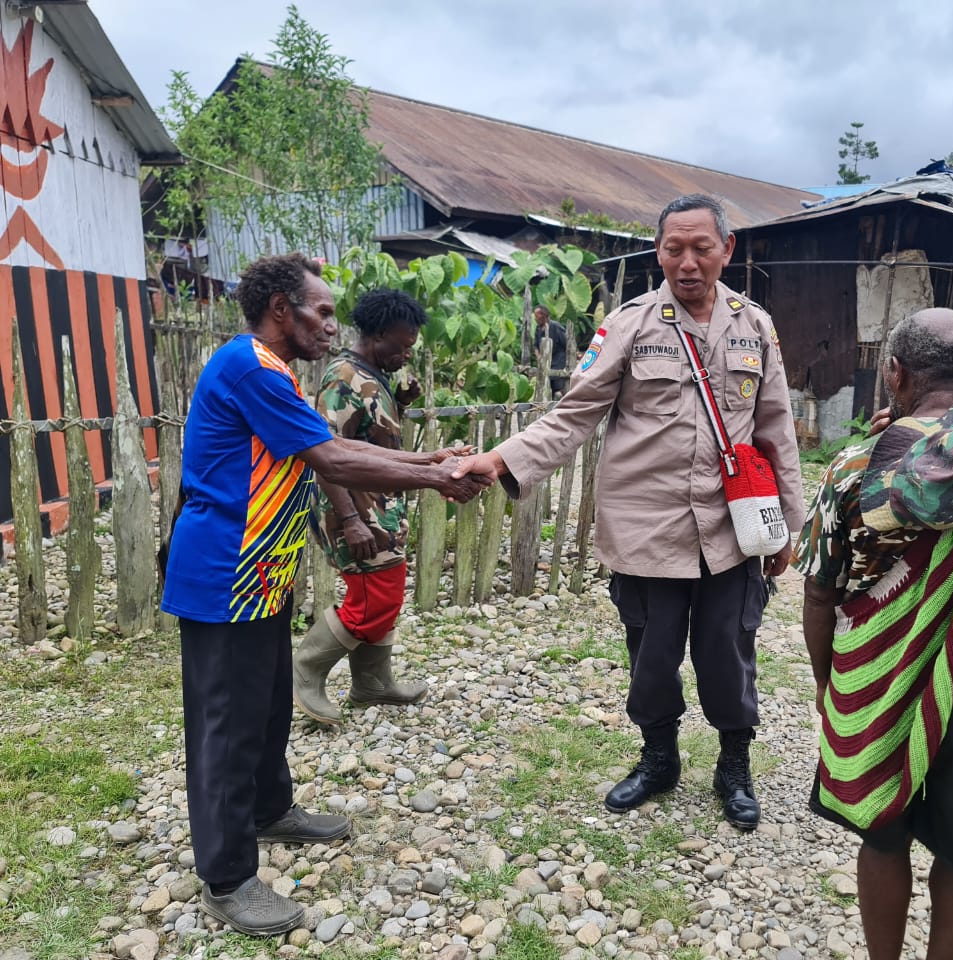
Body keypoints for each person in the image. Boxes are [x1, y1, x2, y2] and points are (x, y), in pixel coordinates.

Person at [161, 253, 491, 936]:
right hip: (224, 573)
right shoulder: (251, 366)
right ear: (281, 309)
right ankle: (225, 877)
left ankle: (269, 808)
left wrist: (426, 462)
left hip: (260, 573)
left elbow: (329, 446)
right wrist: (434, 477)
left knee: (264, 702)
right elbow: (333, 458)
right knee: (224, 724)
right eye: (322, 312)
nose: (331, 326)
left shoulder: (272, 371)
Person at [453, 194, 804, 830]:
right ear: (659, 251)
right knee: (651, 655)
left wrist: (789, 524)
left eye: (702, 248)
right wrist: (502, 460)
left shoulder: (757, 326)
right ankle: (658, 758)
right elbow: (574, 414)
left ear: (728, 250)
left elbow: (776, 428)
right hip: (647, 528)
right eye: (674, 248)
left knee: (730, 652)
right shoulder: (630, 325)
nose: (688, 262)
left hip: (732, 528)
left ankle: (734, 766)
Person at [796, 308, 953, 960]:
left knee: (882, 835)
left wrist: (828, 684)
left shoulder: (853, 466)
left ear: (894, 373)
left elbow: (819, 593)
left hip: (873, 679)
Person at [293, 288, 466, 726]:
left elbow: (369, 438)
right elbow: (325, 453)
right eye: (403, 344)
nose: (407, 354)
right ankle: (305, 670)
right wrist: (350, 520)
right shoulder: (342, 380)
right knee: (374, 598)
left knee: (385, 590)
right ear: (379, 334)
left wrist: (398, 400)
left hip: (378, 506)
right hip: (352, 508)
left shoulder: (369, 374)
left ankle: (372, 682)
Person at [532, 304, 570, 397]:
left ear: (544, 315)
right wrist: (539, 357)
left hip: (558, 360)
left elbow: (567, 344)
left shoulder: (555, 326)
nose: (535, 318)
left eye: (537, 316)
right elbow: (535, 345)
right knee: (547, 386)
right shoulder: (538, 328)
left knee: (559, 388)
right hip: (545, 361)